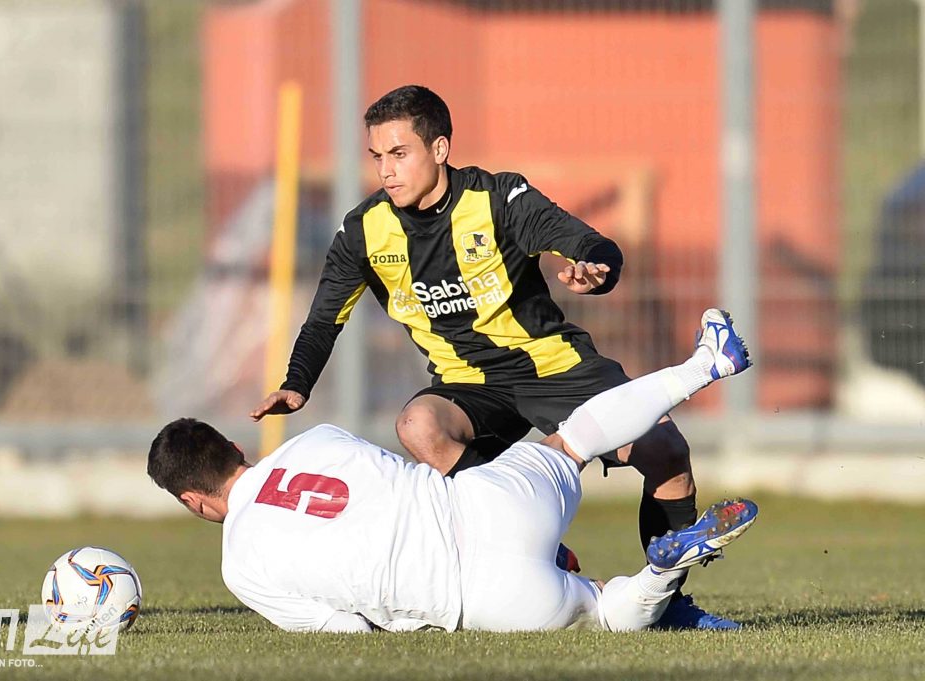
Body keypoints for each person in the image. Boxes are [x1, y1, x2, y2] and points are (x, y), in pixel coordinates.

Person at [250, 85, 727, 628]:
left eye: (399, 153)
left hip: (552, 365)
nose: (386, 170)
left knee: (665, 451)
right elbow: (324, 317)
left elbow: (588, 242)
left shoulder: (498, 198)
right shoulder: (364, 231)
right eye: (377, 156)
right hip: (467, 384)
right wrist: (297, 382)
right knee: (419, 425)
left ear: (440, 149)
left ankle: (669, 602)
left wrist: (595, 270)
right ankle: (528, 536)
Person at [150, 309, 757, 633]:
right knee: (573, 439)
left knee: (601, 610)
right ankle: (706, 364)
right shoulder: (316, 441)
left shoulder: (240, 568)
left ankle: (656, 574)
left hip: (476, 598)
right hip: (485, 504)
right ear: (233, 446)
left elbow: (345, 630)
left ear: (192, 501)